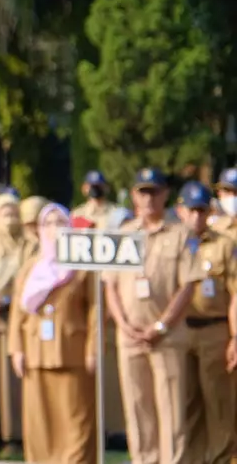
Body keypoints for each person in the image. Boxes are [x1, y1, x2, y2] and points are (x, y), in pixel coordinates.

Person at [105, 168, 201, 464]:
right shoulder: (123, 235)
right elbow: (110, 285)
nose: (148, 198)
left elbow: (188, 285)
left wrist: (162, 324)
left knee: (170, 408)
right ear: (134, 195)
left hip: (167, 336)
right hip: (130, 335)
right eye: (143, 191)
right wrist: (123, 324)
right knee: (137, 408)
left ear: (165, 195)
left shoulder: (181, 234)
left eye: (154, 192)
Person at [8, 203, 98, 464]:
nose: (54, 229)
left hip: (73, 352)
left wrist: (93, 348)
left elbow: (95, 310)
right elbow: (17, 311)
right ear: (38, 230)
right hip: (35, 352)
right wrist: (16, 349)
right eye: (48, 223)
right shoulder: (30, 268)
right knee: (41, 419)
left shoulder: (82, 267)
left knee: (76, 416)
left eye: (60, 222)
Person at [176, 181, 237, 464]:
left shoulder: (225, 244)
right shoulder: (172, 243)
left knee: (219, 403)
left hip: (215, 330)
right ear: (180, 211)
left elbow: (235, 293)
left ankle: (223, 460)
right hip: (180, 331)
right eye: (191, 211)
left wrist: (235, 337)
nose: (197, 217)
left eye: (202, 211)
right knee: (186, 404)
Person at [0, 193, 26, 456]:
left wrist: (10, 299)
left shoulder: (26, 246)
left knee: (13, 383)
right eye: (4, 214)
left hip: (17, 321)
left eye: (14, 213)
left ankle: (16, 436)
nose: (10, 219)